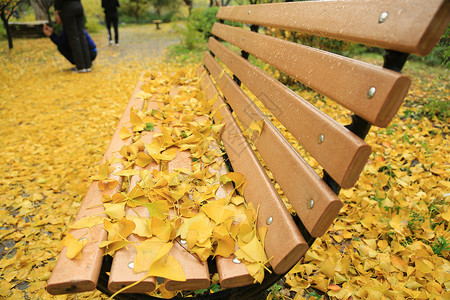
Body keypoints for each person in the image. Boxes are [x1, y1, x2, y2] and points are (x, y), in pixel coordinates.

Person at [54, 0, 92, 73]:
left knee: (74, 37)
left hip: (68, 8)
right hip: (79, 7)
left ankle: (80, 66)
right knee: (82, 35)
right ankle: (87, 65)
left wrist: (57, 10)